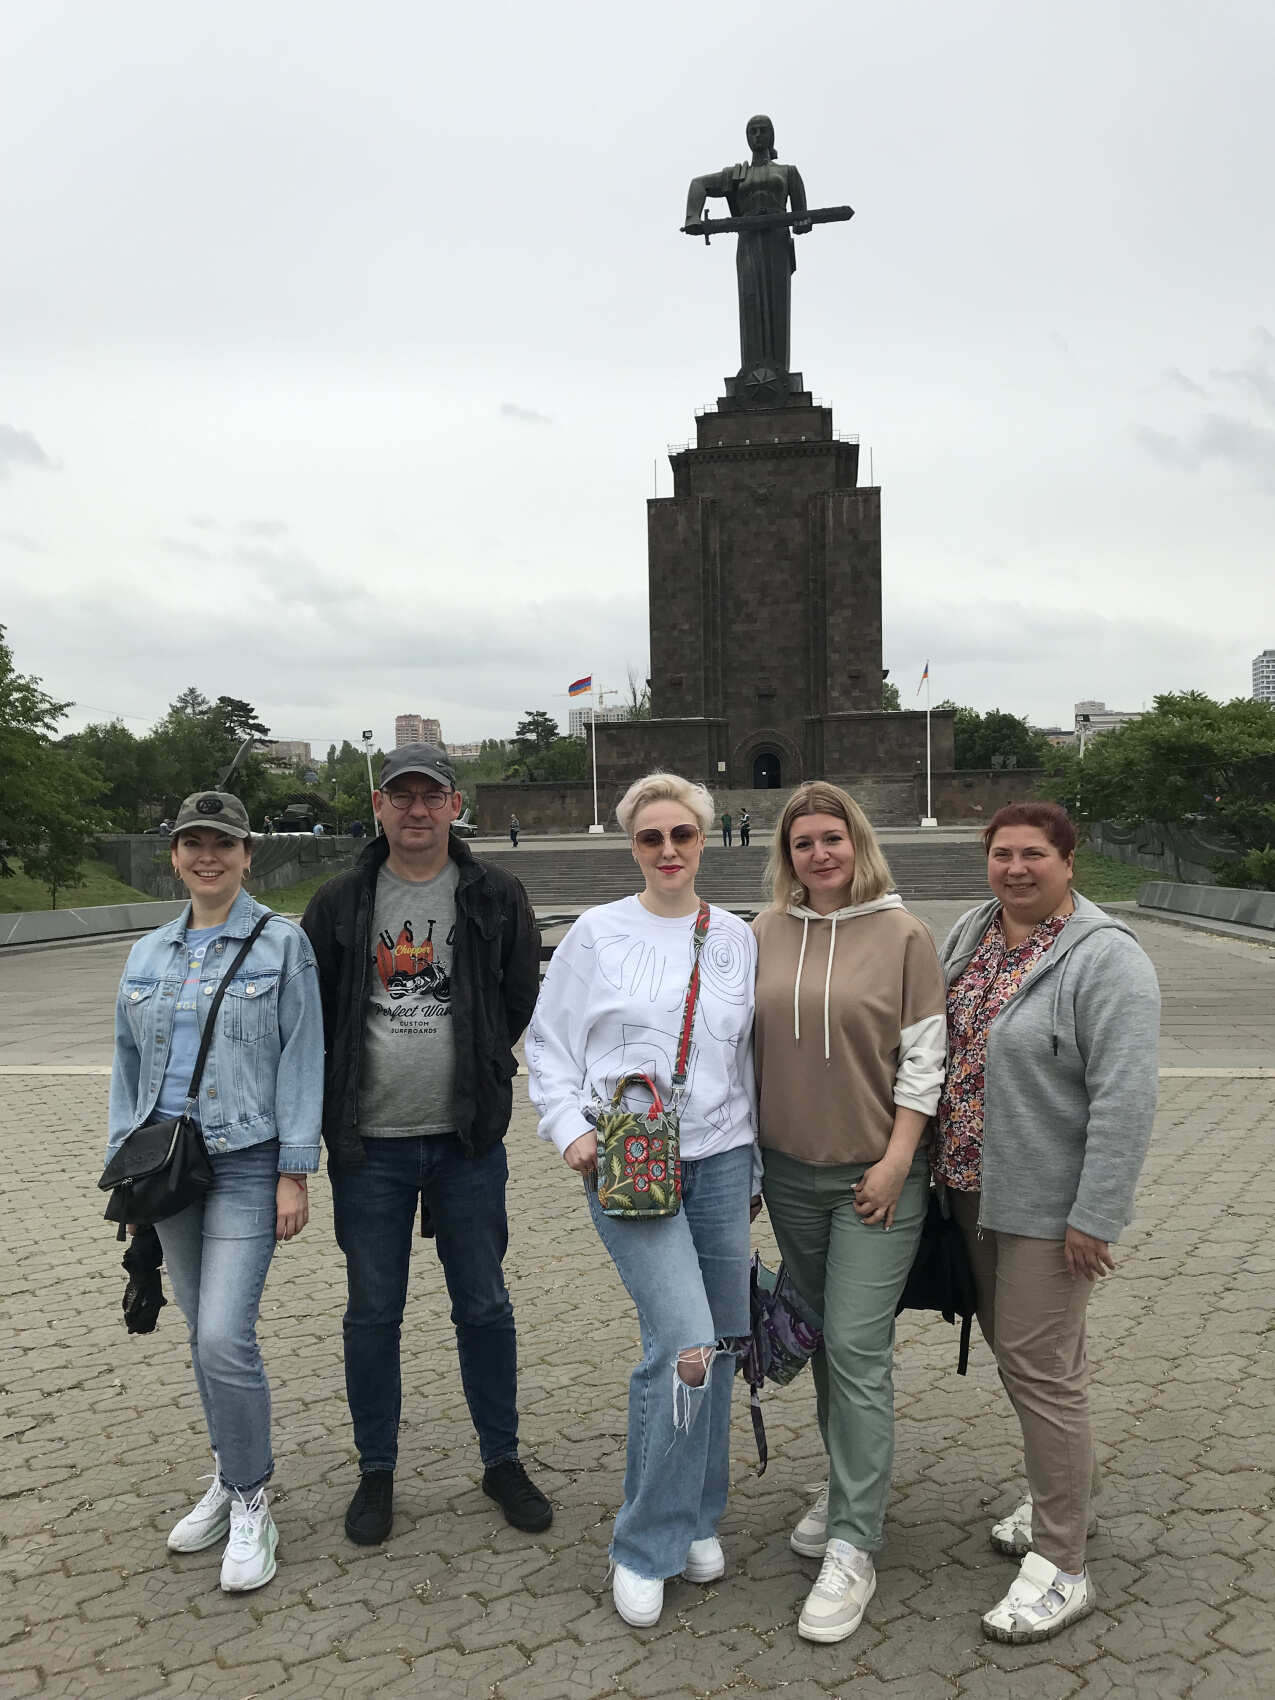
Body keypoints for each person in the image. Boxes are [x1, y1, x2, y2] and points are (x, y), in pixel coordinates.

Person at [300, 743, 550, 1546]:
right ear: (378, 806)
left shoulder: (494, 893)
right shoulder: (340, 900)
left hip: (465, 1142)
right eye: (400, 796)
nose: (416, 810)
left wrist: (479, 1066)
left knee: (484, 1305)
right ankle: (376, 1470)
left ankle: (500, 1459)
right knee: (373, 1313)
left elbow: (518, 996)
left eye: (430, 796)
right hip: (368, 1145)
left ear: (454, 805)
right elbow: (315, 1011)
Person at [526, 772, 758, 1628]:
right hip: (628, 1162)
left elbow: (744, 1058)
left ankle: (697, 1514)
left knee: (719, 1346)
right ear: (632, 846)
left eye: (681, 835)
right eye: (650, 837)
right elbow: (546, 1043)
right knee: (683, 1344)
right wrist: (566, 1129)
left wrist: (755, 1168)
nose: (667, 850)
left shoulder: (735, 936)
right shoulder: (596, 932)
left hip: (722, 1161)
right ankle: (644, 1542)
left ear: (704, 840)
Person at [935, 802, 1159, 1645]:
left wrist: (1095, 1215)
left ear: (1068, 860)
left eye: (1033, 854)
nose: (1015, 868)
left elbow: (1124, 1098)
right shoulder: (972, 933)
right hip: (969, 1190)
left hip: (1047, 1208)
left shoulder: (1105, 957)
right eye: (1001, 853)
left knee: (1039, 1368)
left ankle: (1062, 1563)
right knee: (1033, 1360)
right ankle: (1064, 1499)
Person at [106, 790, 324, 1592]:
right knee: (202, 1334)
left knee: (225, 1336)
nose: (208, 856)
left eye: (223, 844)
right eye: (193, 843)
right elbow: (127, 1068)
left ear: (246, 855)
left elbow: (303, 1056)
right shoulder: (146, 954)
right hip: (166, 1169)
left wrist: (294, 1171)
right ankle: (231, 1476)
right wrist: (124, 1175)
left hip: (244, 1163)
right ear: (174, 856)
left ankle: (251, 1498)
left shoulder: (282, 943)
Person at [752, 782, 946, 1643]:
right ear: (787, 856)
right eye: (803, 843)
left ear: (856, 843)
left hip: (876, 1178)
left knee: (860, 1348)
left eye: (831, 838)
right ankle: (843, 1483)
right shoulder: (761, 933)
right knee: (824, 1338)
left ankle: (853, 1543)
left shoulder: (904, 935)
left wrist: (898, 1160)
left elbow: (925, 1061)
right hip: (788, 1174)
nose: (819, 854)